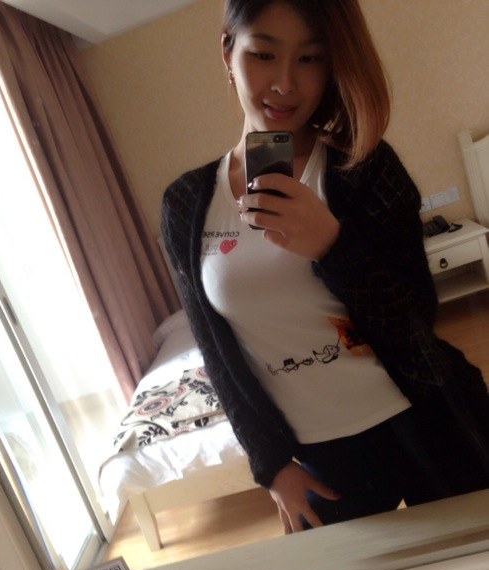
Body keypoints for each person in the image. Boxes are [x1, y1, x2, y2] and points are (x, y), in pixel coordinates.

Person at [161, 0, 489, 534]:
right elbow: (216, 352)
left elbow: (416, 320)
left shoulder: (366, 167)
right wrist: (270, 466)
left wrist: (333, 246)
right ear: (227, 52)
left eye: (310, 59)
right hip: (318, 458)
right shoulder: (186, 203)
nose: (285, 84)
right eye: (263, 54)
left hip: (427, 418)